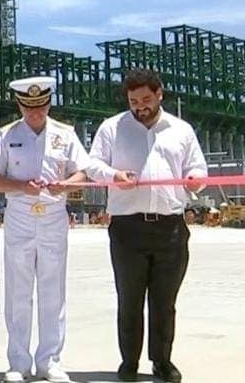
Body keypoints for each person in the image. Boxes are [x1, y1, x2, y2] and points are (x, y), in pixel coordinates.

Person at [86, 68, 207, 383]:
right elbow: (93, 165)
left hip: (171, 229)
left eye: (145, 99)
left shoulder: (181, 130)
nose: (139, 106)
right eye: (133, 100)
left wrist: (196, 180)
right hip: (128, 228)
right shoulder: (113, 128)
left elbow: (197, 167)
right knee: (129, 299)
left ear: (159, 94)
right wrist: (115, 176)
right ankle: (129, 361)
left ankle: (162, 361)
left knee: (164, 302)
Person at [0, 76, 92, 383]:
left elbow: (83, 171)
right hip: (20, 214)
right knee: (18, 290)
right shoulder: (7, 135)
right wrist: (19, 186)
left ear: (49, 103)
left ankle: (50, 361)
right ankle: (18, 361)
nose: (35, 113)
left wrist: (66, 185)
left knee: (53, 289)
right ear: (19, 105)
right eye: (29, 108)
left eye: (40, 106)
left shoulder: (65, 135)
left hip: (54, 214)